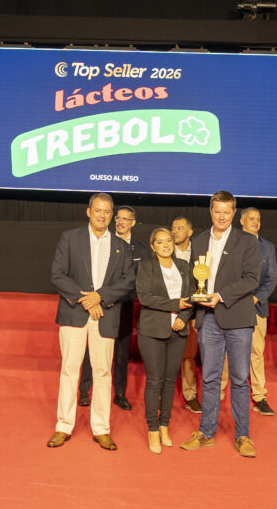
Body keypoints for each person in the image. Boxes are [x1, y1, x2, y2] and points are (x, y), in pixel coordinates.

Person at [47, 193, 136, 450]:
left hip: (106, 315)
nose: (102, 215)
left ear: (112, 215)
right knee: (69, 370)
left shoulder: (121, 246)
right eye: (98, 210)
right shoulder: (70, 238)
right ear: (89, 212)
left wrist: (101, 297)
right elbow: (58, 275)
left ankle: (101, 428)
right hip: (74, 313)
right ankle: (63, 426)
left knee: (103, 372)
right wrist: (87, 300)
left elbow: (128, 281)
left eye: (107, 211)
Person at [180, 191, 260, 458]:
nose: (222, 217)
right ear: (210, 211)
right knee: (210, 378)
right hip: (209, 319)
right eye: (217, 212)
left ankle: (242, 435)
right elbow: (195, 281)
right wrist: (195, 308)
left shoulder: (247, 241)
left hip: (238, 319)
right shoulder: (199, 240)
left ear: (234, 213)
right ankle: (206, 432)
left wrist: (221, 295)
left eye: (227, 212)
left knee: (239, 380)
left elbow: (252, 279)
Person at [79, 205, 147, 410]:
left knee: (122, 352)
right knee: (93, 348)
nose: (120, 222)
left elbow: (139, 279)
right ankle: (84, 390)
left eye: (126, 219)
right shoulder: (104, 241)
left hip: (125, 305)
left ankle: (119, 393)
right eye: (118, 218)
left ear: (133, 223)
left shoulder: (141, 249)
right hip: (101, 304)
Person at [135, 227, 194, 453]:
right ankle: (152, 429)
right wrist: (174, 305)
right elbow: (145, 297)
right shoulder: (146, 266)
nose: (166, 245)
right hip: (152, 331)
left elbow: (192, 298)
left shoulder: (184, 266)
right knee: (155, 380)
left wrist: (183, 317)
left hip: (178, 332)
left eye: (168, 240)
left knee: (170, 381)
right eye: (160, 242)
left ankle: (164, 426)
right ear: (153, 246)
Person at [218, 208, 277, 415]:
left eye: (258, 219)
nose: (256, 222)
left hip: (256, 307)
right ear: (242, 221)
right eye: (252, 219)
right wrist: (235, 297)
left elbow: (271, 279)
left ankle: (260, 396)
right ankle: (218, 394)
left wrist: (255, 298)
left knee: (256, 352)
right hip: (232, 305)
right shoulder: (230, 242)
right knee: (226, 352)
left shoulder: (268, 247)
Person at [171, 216, 202, 413]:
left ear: (190, 232)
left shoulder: (200, 253)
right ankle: (160, 395)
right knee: (164, 356)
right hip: (168, 309)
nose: (174, 231)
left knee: (188, 356)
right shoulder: (164, 250)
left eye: (179, 228)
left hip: (192, 311)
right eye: (173, 228)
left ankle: (190, 395)